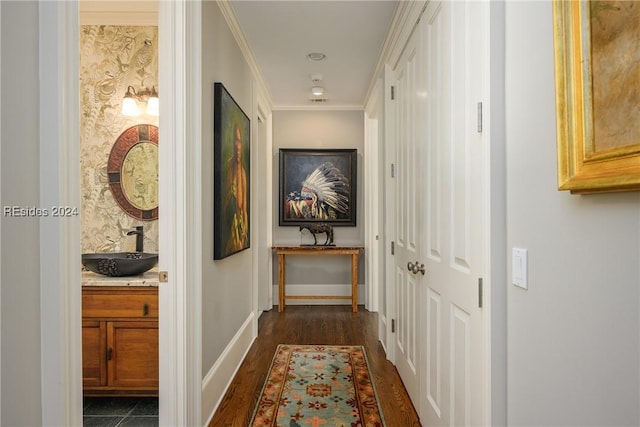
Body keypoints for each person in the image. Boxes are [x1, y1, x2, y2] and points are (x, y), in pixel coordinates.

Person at [224, 125, 248, 253]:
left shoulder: (243, 173)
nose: (237, 146)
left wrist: (244, 232)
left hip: (239, 231)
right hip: (230, 228)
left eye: (240, 141)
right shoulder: (228, 168)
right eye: (235, 140)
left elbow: (244, 208)